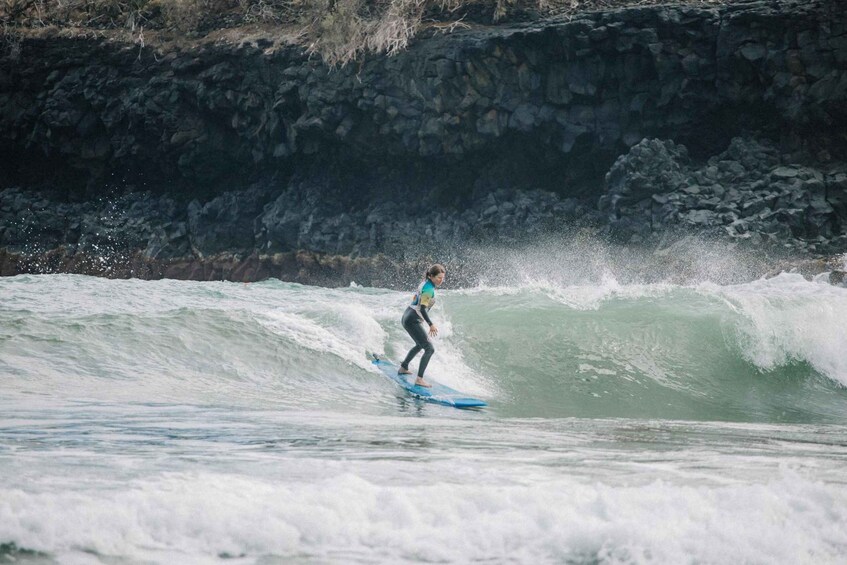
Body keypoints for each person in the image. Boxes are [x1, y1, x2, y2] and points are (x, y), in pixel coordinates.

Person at [399, 264, 445, 387]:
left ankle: (404, 367)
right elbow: (423, 309)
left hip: (407, 315)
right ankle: (419, 379)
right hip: (413, 319)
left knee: (420, 345)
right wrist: (431, 324)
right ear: (431, 276)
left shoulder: (425, 283)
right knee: (429, 349)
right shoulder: (429, 289)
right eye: (438, 278)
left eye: (442, 278)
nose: (441, 280)